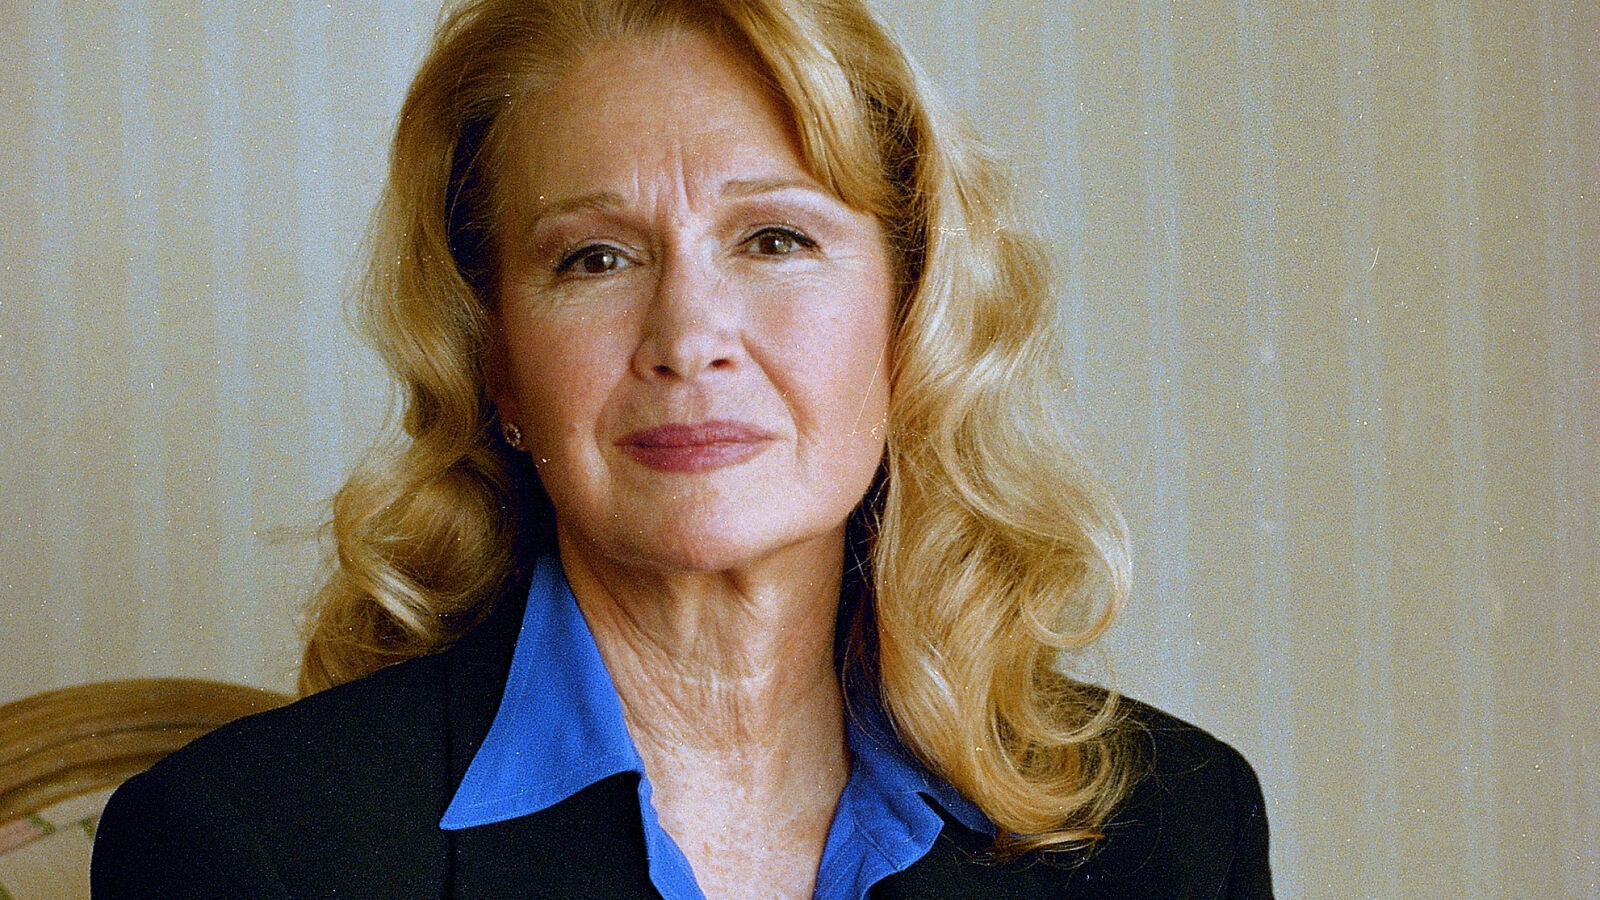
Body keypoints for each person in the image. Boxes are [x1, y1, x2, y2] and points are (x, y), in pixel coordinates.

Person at [91, 0, 1271, 896]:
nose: (688, 339)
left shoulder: (1177, 830)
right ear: (495, 360)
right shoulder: (246, 846)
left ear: (912, 317)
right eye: (593, 258)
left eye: (774, 239)